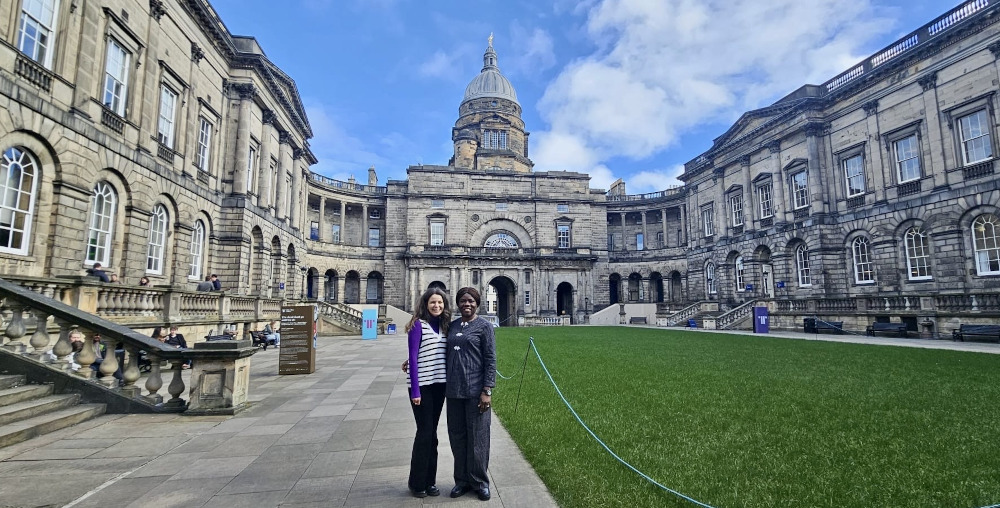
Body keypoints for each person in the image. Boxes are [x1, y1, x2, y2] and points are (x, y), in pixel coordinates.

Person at [446, 287, 496, 501]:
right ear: (458, 303)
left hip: (476, 391)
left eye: (471, 301)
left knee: (479, 438)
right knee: (457, 438)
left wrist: (487, 390)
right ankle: (462, 480)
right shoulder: (452, 326)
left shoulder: (484, 327)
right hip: (454, 391)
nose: (467, 304)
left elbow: (490, 359)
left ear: (477, 303)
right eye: (463, 301)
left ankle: (480, 482)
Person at [405, 288, 451, 498]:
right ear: (426, 304)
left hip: (438, 385)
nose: (437, 306)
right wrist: (415, 391)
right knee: (424, 433)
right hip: (421, 387)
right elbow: (413, 358)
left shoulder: (444, 326)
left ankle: (430, 481)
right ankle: (416, 483)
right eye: (433, 302)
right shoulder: (417, 325)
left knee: (432, 435)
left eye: (440, 303)